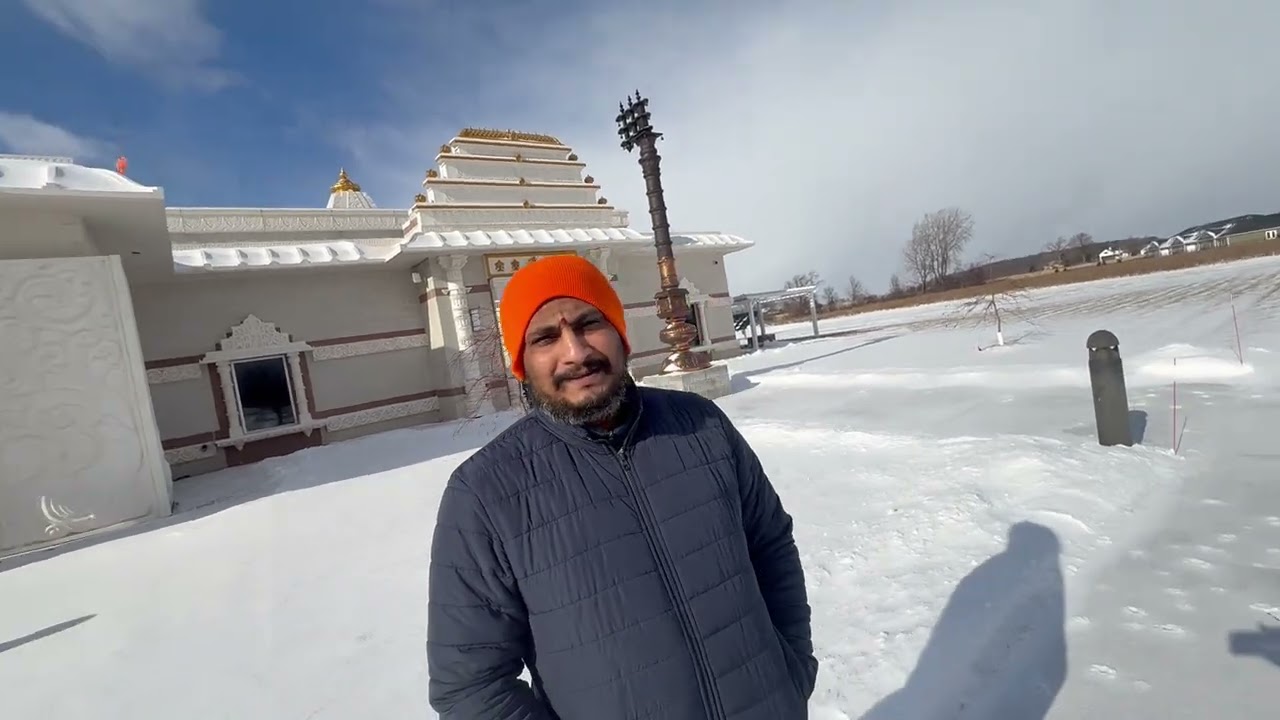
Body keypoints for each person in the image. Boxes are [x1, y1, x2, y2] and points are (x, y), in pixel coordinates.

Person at [427, 254, 817, 719]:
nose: (575, 352)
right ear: (522, 363)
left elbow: (770, 545)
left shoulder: (700, 425)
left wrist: (791, 669)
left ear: (619, 334)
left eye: (590, 323)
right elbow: (471, 686)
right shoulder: (486, 494)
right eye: (546, 337)